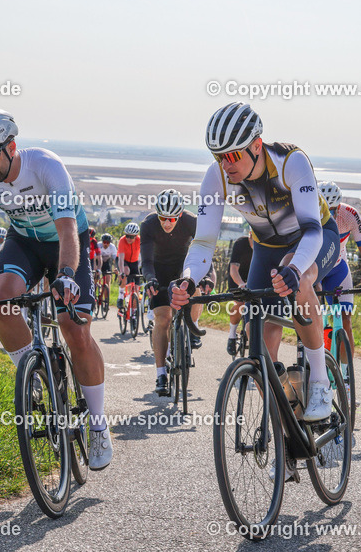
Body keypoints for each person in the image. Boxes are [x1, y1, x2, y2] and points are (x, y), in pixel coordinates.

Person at [171, 102, 341, 426]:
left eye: (233, 155)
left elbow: (311, 230)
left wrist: (294, 270)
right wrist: (188, 279)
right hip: (267, 246)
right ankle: (282, 424)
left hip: (315, 238)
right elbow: (204, 241)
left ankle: (320, 383)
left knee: (302, 279)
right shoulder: (216, 177)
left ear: (256, 146)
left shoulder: (291, 162)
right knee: (256, 336)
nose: (225, 164)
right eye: (218, 156)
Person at [0, 107, 112, 470]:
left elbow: (66, 230)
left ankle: (98, 423)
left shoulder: (45, 165)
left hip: (66, 240)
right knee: (1, 299)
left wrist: (65, 274)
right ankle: (32, 371)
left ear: (11, 146)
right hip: (24, 242)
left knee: (74, 328)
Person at [140, 190, 201, 396]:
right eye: (163, 218)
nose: (167, 223)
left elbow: (202, 252)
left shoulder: (192, 222)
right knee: (162, 319)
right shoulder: (148, 225)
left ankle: (192, 328)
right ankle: (161, 374)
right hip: (158, 271)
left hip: (183, 268)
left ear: (180, 215)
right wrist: (150, 278)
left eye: (172, 218)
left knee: (198, 288)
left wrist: (206, 274)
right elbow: (146, 261)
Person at [318, 181, 361, 361]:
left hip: (337, 269)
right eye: (326, 209)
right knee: (315, 320)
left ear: (339, 207)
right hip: (315, 271)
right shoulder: (309, 215)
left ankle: (345, 376)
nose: (331, 214)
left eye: (334, 210)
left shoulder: (350, 215)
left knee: (345, 320)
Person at [225, 227, 254, 356]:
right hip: (237, 277)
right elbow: (233, 269)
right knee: (240, 304)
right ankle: (232, 335)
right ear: (250, 235)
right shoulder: (240, 244)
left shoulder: (264, 246)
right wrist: (241, 283)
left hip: (254, 276)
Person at [116, 222, 141, 311]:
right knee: (126, 271)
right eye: (127, 236)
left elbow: (145, 255)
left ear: (136, 236)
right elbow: (121, 259)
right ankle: (121, 296)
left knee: (136, 291)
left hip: (134, 263)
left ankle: (133, 314)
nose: (129, 239)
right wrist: (121, 272)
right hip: (124, 262)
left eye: (131, 237)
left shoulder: (139, 240)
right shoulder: (122, 240)